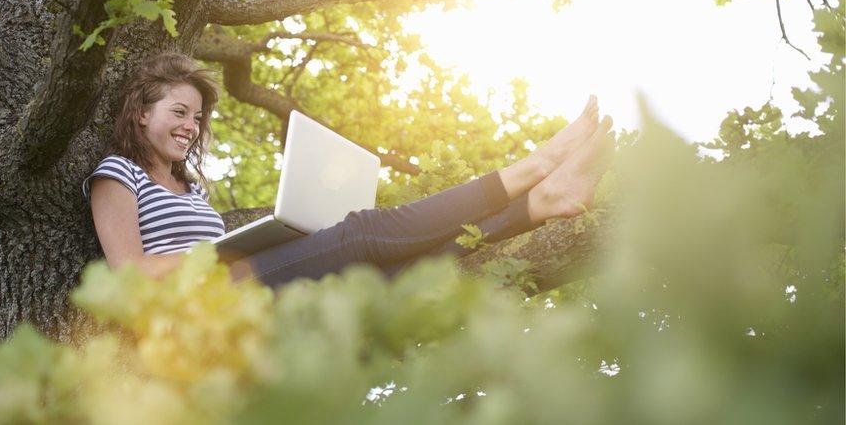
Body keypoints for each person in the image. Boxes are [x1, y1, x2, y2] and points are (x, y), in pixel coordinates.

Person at [84, 52, 615, 287]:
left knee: (389, 272)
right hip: (200, 304)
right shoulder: (117, 173)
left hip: (241, 287)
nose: (191, 127)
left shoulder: (192, 189)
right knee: (363, 232)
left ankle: (538, 205)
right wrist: (215, 255)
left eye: (197, 117)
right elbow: (129, 274)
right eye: (179, 113)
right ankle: (536, 165)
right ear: (140, 113)